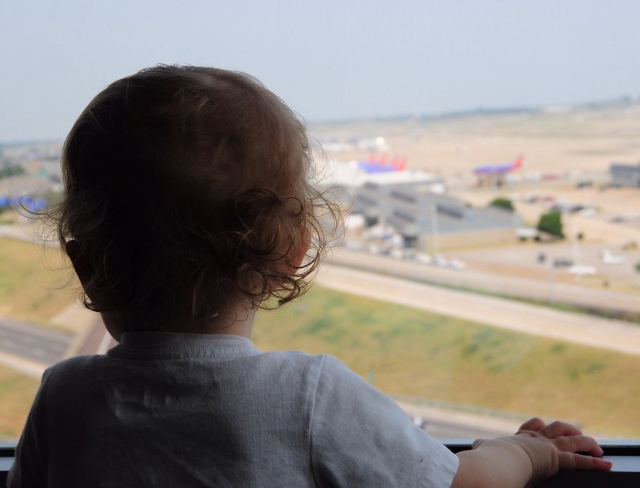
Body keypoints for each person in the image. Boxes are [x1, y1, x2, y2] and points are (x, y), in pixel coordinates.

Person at [8, 65, 612, 487]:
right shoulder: (309, 397)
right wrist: (524, 454)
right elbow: (464, 483)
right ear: (291, 251)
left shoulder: (62, 399)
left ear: (86, 264)